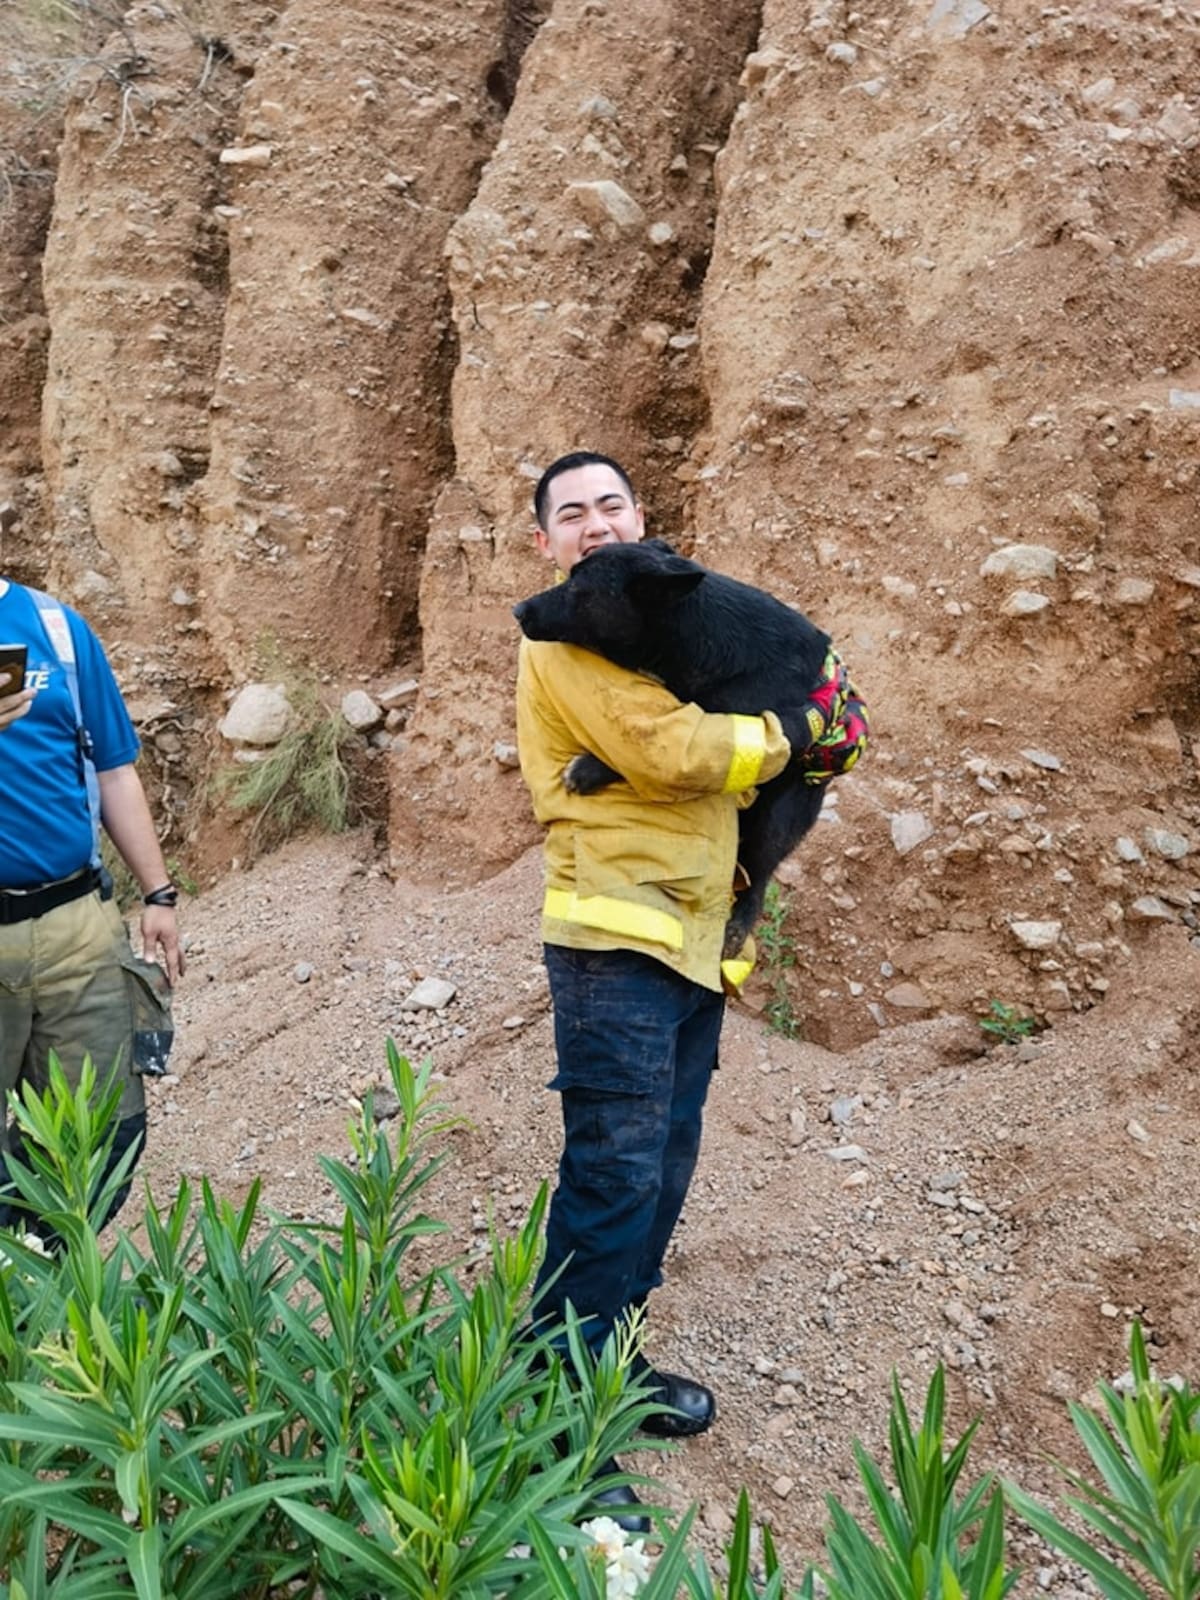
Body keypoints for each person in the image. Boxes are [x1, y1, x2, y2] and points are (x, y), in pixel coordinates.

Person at [516, 451, 797, 1526]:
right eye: (571, 513)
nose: (594, 523)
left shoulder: (662, 619)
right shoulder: (566, 635)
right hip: (613, 949)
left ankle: (607, 1367)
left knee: (662, 1169)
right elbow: (674, 750)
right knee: (614, 1177)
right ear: (547, 544)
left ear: (643, 519)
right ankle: (560, 1424)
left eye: (611, 505)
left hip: (693, 944)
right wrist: (797, 732)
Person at [0, 564, 183, 1243]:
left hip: (76, 921)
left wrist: (158, 891)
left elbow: (111, 766)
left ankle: (37, 1270)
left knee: (107, 1127)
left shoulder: (56, 627)